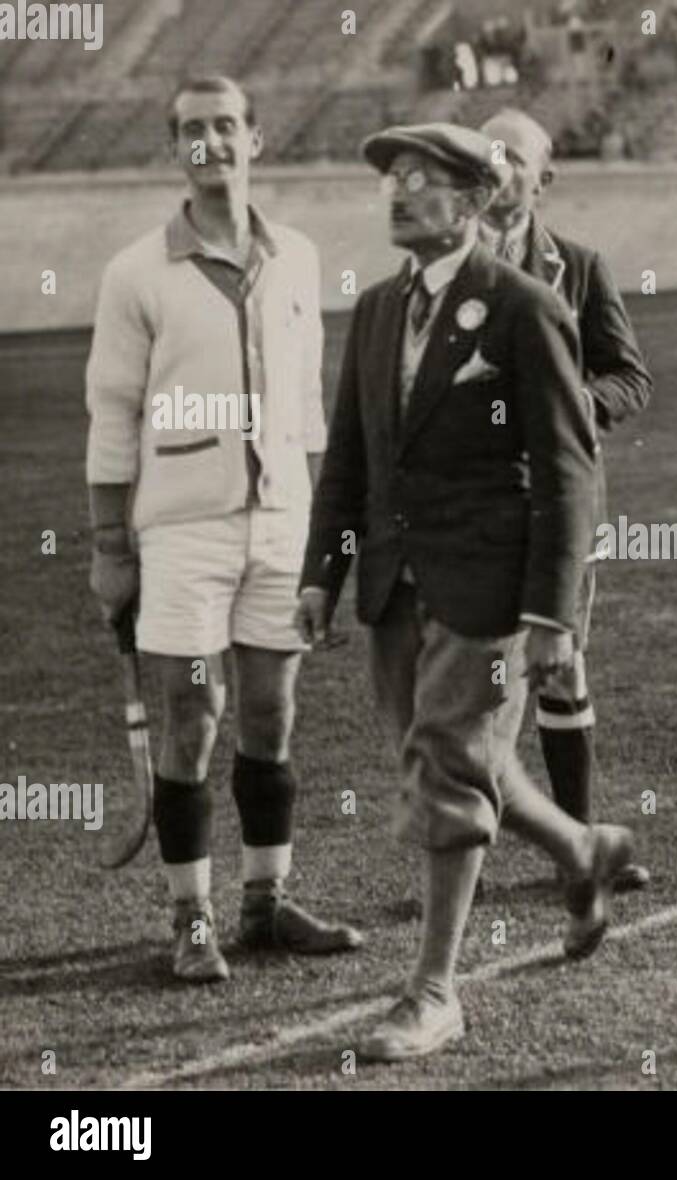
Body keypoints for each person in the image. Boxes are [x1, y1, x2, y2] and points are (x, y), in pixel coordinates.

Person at [295, 123, 633, 1061]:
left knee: (448, 758)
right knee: (445, 755)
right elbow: (351, 458)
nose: (399, 193)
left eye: (423, 179)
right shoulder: (372, 312)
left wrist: (551, 616)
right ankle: (584, 849)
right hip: (396, 586)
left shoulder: (525, 308)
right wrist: (323, 573)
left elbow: (570, 472)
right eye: (392, 179)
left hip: (490, 588)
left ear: (477, 201)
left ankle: (434, 991)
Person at [85, 75, 362, 984]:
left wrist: (319, 529)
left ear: (256, 138)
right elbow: (111, 414)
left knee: (272, 715)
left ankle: (266, 903)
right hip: (183, 533)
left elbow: (310, 404)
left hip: (280, 524)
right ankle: (190, 918)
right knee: (195, 715)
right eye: (192, 129)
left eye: (226, 125)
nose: (211, 141)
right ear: (177, 149)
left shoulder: (298, 257)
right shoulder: (135, 270)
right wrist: (108, 547)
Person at [479, 106, 653, 893]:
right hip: (472, 507)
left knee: (561, 667)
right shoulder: (444, 270)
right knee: (472, 678)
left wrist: (567, 406)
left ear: (543, 177)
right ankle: (467, 847)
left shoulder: (579, 268)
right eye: (485, 154)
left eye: (513, 156)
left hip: (558, 504)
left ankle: (579, 848)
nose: (496, 168)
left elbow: (629, 377)